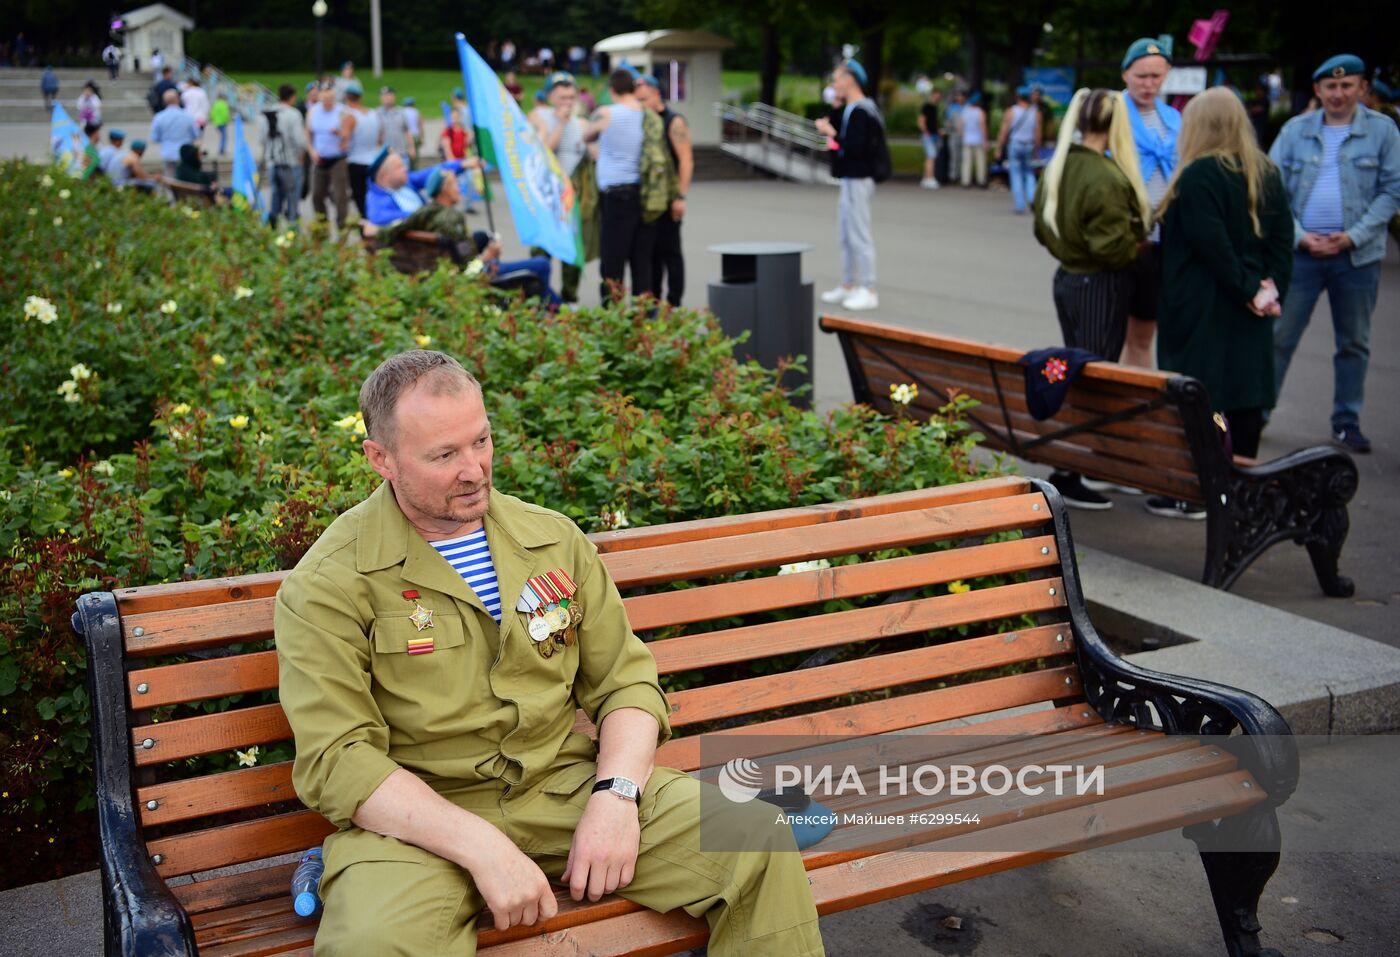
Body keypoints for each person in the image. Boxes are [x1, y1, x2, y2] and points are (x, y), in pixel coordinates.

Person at [274, 350, 827, 957]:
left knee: (758, 840)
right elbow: (339, 758)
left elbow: (626, 685)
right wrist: (483, 846)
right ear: (381, 459)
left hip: (565, 790)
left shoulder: (552, 539)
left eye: (480, 440)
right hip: (419, 825)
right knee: (373, 945)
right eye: (444, 455)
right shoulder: (330, 582)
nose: (474, 469)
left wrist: (617, 797)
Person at [1149, 88, 1293, 520]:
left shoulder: (1197, 175)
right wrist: (1266, 292)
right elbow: (1284, 240)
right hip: (1249, 309)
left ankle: (1198, 489)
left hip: (1202, 304)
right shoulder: (1263, 170)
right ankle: (1241, 483)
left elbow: (1213, 246)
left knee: (1203, 395)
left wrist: (1247, 288)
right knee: (1244, 394)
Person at [1269, 54, 1400, 454]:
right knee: (1279, 336)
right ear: (1318, 90)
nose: (1338, 93)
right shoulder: (1294, 131)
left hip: (1355, 258)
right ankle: (1257, 413)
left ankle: (1346, 421)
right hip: (1302, 253)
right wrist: (1300, 236)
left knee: (1354, 342)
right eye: (1331, 86)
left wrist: (1353, 237)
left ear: (1362, 88)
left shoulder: (1383, 132)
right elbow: (1272, 189)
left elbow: (1392, 190)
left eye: (1347, 86)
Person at [1033, 88, 1151, 510]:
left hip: (1067, 277)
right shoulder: (1107, 177)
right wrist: (1135, 245)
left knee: (1077, 369)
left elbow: (1041, 228)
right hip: (1100, 282)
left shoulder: (1059, 166)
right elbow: (1111, 248)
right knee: (1093, 374)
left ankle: (1074, 464)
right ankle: (1074, 468)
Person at [1119, 36, 1181, 368]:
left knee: (1144, 334)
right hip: (1124, 240)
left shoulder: (1174, 119)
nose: (1149, 84)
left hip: (1163, 241)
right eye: (1141, 75)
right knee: (1108, 335)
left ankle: (1137, 408)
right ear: (1124, 75)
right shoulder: (1112, 113)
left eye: (1156, 76)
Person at [815, 59, 886, 311]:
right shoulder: (852, 109)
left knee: (859, 234)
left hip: (859, 178)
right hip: (851, 178)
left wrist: (832, 135)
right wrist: (833, 135)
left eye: (837, 79)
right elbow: (844, 145)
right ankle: (849, 284)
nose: (834, 85)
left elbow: (855, 149)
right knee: (846, 233)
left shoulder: (861, 111)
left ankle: (868, 287)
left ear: (849, 79)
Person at [583, 68, 655, 303]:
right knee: (641, 259)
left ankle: (612, 316)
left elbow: (586, 136)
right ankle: (643, 315)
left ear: (612, 90)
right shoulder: (647, 114)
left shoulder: (606, 113)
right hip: (644, 193)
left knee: (612, 262)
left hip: (616, 195)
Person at [529, 72, 589, 302]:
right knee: (541, 250)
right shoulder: (538, 117)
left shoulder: (581, 122)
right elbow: (541, 153)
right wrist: (561, 124)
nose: (568, 102)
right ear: (551, 96)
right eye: (562, 97)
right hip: (545, 195)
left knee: (571, 249)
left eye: (571, 97)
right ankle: (538, 297)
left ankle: (569, 296)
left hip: (570, 196)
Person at [637, 74, 693, 307]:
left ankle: (674, 301)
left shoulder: (673, 121)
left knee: (671, 252)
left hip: (669, 197)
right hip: (649, 199)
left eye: (644, 98)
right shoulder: (641, 121)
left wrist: (680, 196)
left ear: (656, 95)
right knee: (651, 253)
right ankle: (655, 300)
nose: (639, 104)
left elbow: (686, 160)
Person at [261, 84, 308, 230]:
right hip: (290, 162)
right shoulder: (293, 114)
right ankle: (293, 226)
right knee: (292, 196)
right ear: (292, 97)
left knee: (275, 195)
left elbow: (261, 139)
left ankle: (273, 225)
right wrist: (301, 154)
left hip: (272, 161)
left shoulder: (267, 114)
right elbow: (299, 140)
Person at [308, 83, 350, 228]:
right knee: (317, 194)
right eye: (324, 98)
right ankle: (322, 224)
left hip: (337, 158)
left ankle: (342, 226)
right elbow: (308, 134)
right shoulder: (313, 111)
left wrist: (339, 133)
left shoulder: (342, 111)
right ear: (320, 97)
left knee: (340, 196)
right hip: (320, 158)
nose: (327, 102)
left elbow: (348, 135)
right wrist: (312, 151)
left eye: (330, 98)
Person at [996, 86, 1042, 213]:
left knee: (1015, 174)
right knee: (1029, 173)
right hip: (1029, 145)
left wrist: (999, 147)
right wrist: (1037, 150)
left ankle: (1020, 205)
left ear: (1017, 96)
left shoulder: (1011, 111)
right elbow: (1038, 134)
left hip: (1015, 145)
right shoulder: (1036, 113)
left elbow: (1003, 131)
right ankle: (1032, 198)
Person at [342, 82, 383, 218]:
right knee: (373, 198)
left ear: (347, 98)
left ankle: (365, 231)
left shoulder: (350, 117)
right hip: (373, 160)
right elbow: (379, 139)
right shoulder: (373, 113)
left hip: (356, 161)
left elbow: (344, 144)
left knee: (360, 201)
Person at [149, 88, 198, 179]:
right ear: (178, 99)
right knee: (184, 181)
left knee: (169, 179)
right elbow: (196, 134)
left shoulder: (159, 117)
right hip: (184, 154)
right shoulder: (188, 116)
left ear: (164, 102)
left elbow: (154, 138)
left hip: (168, 153)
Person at [378, 86, 415, 168]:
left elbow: (407, 131)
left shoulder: (401, 112)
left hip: (401, 154)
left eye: (389, 95)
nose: (387, 98)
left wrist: (411, 147)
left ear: (394, 96)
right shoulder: (376, 114)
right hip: (384, 156)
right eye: (384, 96)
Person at [958, 91, 988, 187]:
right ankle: (981, 181)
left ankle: (965, 181)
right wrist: (985, 140)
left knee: (966, 162)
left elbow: (960, 126)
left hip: (967, 139)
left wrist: (963, 136)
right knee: (980, 162)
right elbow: (983, 127)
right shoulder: (980, 112)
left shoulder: (965, 111)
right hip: (978, 139)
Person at [918, 87, 942, 189]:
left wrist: (938, 131)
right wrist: (926, 132)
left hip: (934, 135)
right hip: (928, 135)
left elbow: (934, 122)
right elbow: (921, 121)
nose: (938, 97)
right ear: (932, 95)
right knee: (931, 157)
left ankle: (925, 178)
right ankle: (930, 178)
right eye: (936, 95)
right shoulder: (926, 106)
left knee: (929, 157)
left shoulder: (935, 107)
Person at [181, 76, 210, 145]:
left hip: (188, 118)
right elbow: (206, 106)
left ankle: (190, 151)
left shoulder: (185, 93)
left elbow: (182, 105)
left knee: (189, 137)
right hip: (200, 118)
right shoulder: (202, 92)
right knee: (199, 138)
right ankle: (197, 152)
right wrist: (205, 117)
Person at [402, 96, 423, 167]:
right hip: (415, 136)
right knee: (415, 158)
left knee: (405, 156)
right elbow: (420, 126)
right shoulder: (416, 112)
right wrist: (421, 137)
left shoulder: (402, 112)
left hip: (405, 137)